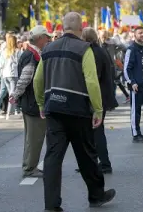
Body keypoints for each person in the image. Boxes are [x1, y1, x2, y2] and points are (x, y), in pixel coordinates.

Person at [33, 12, 115, 211]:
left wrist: (41, 104)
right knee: (86, 155)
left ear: (62, 27)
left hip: (54, 109)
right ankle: (96, 195)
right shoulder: (84, 48)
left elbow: (37, 80)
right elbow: (92, 81)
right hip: (78, 110)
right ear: (80, 28)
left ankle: (51, 205)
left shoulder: (48, 48)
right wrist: (97, 109)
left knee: (53, 157)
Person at [10, 25, 51, 178]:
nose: (48, 39)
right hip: (33, 103)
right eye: (46, 37)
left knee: (32, 138)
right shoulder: (32, 56)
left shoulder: (31, 53)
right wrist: (15, 94)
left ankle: (30, 166)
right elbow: (25, 79)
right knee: (34, 139)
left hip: (30, 102)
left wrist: (16, 94)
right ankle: (29, 168)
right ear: (39, 38)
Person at [82, 27, 118, 173]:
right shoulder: (101, 50)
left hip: (96, 96)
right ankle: (97, 162)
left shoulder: (92, 53)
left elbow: (92, 77)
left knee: (95, 132)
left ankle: (103, 163)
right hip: (104, 95)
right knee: (95, 131)